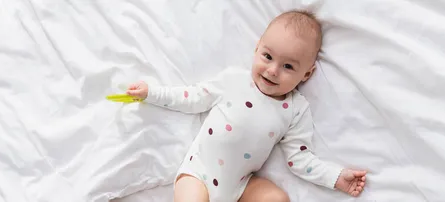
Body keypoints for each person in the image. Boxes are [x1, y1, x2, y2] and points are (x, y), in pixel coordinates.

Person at [125, 10, 367, 202]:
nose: (273, 71)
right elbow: (192, 97)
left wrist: (335, 177)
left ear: (306, 74)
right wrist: (151, 93)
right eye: (268, 57)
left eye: (288, 67)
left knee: (276, 198)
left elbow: (300, 160)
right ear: (257, 48)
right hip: (198, 174)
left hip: (240, 186)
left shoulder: (295, 109)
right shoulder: (234, 81)